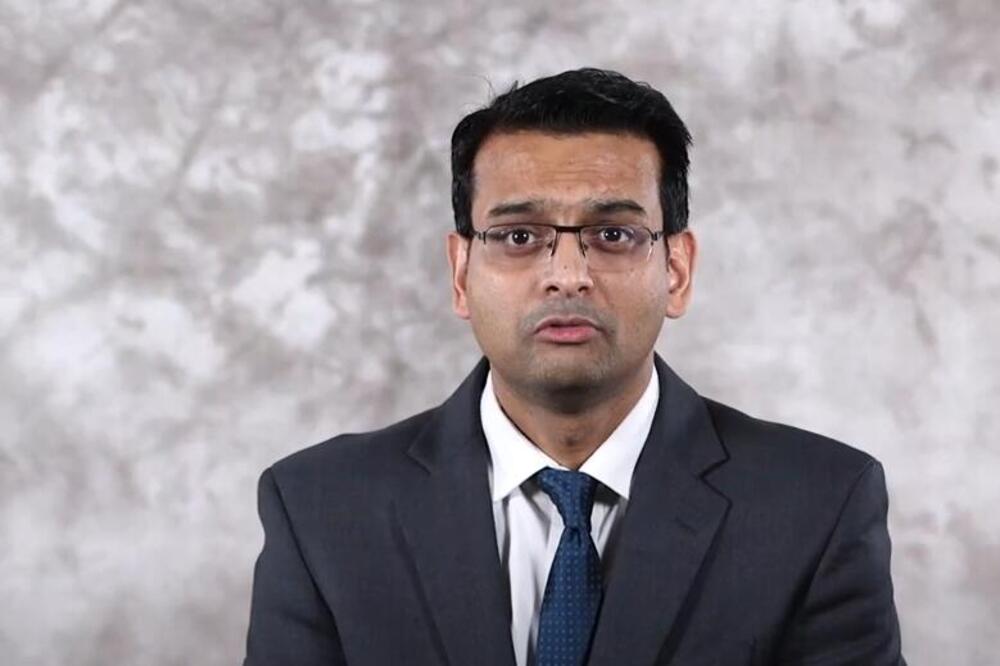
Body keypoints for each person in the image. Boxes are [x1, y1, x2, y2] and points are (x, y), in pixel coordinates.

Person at [243, 67, 906, 666]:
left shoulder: (817, 505)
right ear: (461, 272)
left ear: (676, 271)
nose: (566, 275)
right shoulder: (321, 509)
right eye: (519, 236)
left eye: (613, 235)